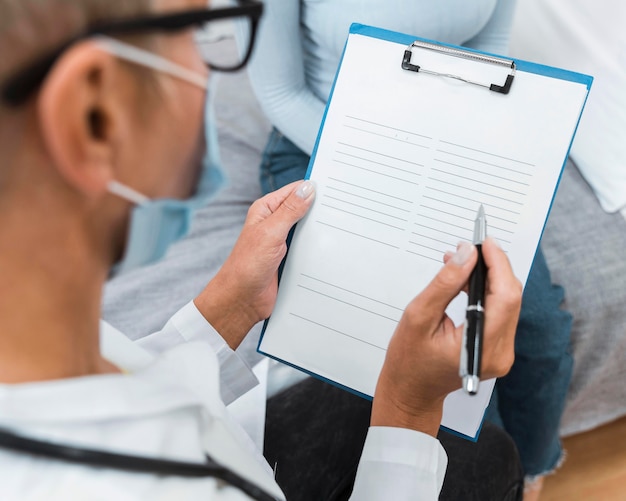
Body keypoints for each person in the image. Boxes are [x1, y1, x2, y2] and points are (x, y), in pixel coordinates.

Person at [0, 0, 524, 499]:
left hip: (227, 441)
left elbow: (122, 390)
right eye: (200, 31)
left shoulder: (37, 336)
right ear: (94, 116)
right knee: (481, 462)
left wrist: (229, 306)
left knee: (478, 449)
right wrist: (410, 409)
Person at [245, 1, 574, 498]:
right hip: (325, 134)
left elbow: (485, 56)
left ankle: (526, 468)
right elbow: (280, 91)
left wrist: (457, 150)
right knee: (404, 322)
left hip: (446, 135)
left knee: (540, 322)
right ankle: (475, 463)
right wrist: (394, 159)